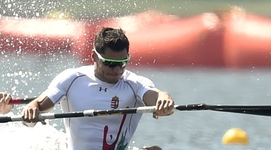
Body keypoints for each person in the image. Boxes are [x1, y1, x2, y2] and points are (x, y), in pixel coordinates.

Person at [21, 27, 174, 150]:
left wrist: (164, 100)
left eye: (122, 63)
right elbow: (39, 106)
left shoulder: (134, 83)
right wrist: (31, 110)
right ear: (94, 56)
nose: (117, 69)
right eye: (110, 63)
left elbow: (156, 95)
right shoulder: (71, 79)